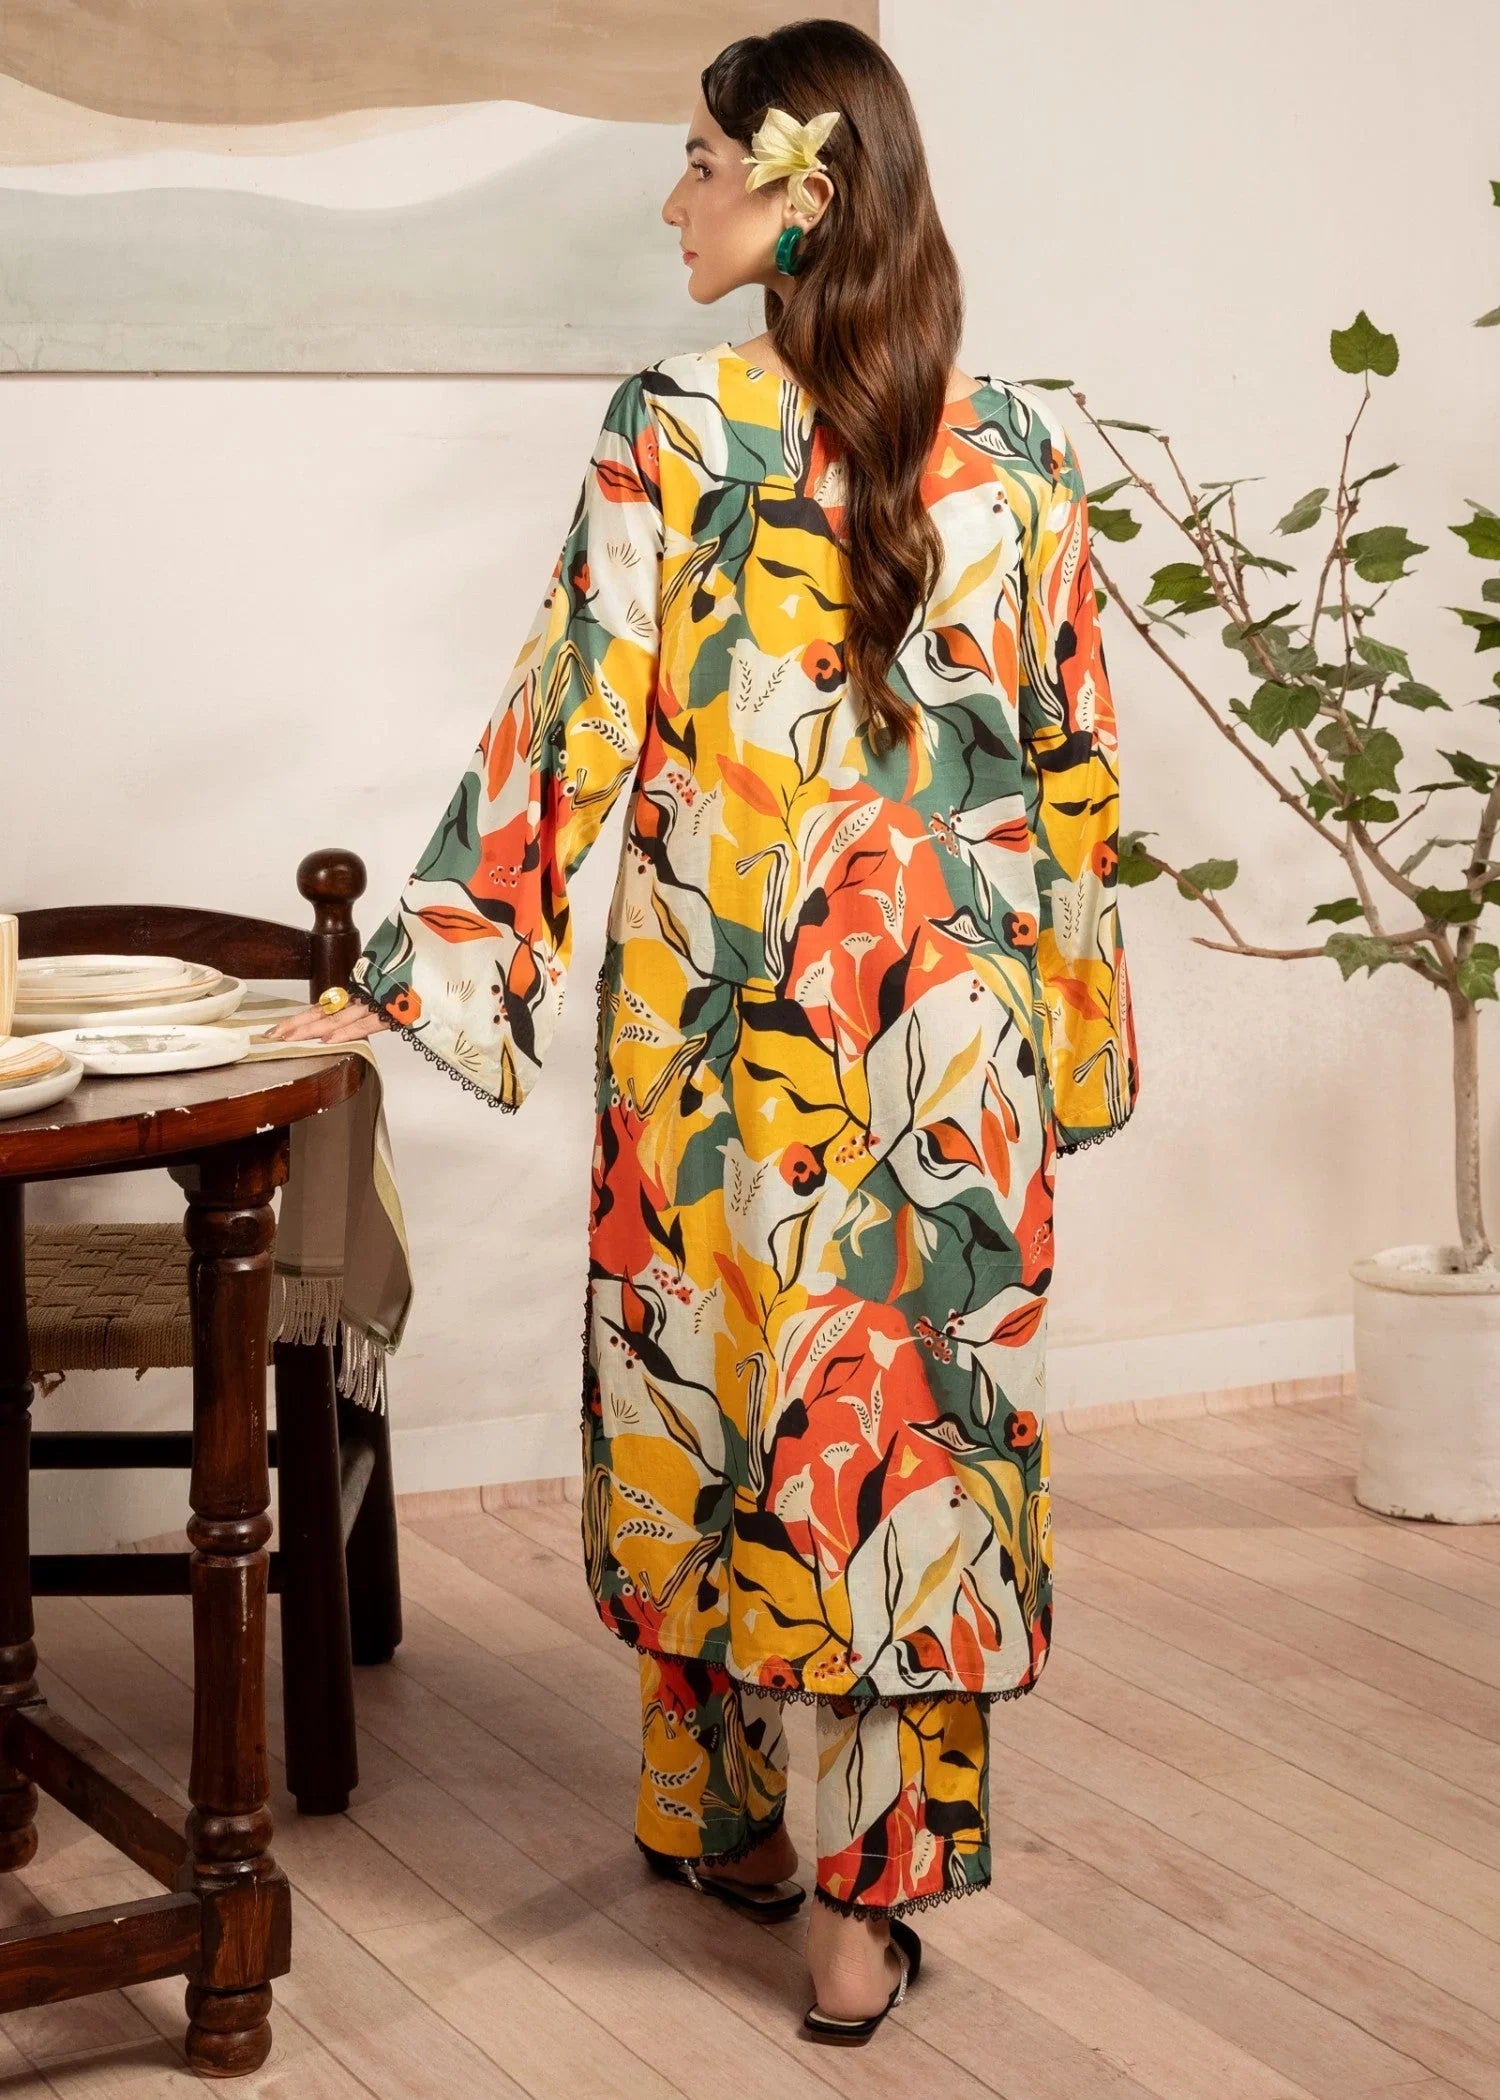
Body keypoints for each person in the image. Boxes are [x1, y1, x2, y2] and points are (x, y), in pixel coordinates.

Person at [269, 15, 1139, 2045]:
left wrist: (423, 963)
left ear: (799, 195)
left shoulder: (674, 425)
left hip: (722, 1043)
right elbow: (1076, 775)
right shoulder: (1025, 444)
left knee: (724, 1408)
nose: (672, 198)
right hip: (951, 1055)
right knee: (904, 1452)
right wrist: (1074, 1044)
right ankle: (852, 1909)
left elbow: (569, 722)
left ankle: (741, 1830)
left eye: (698, 161)